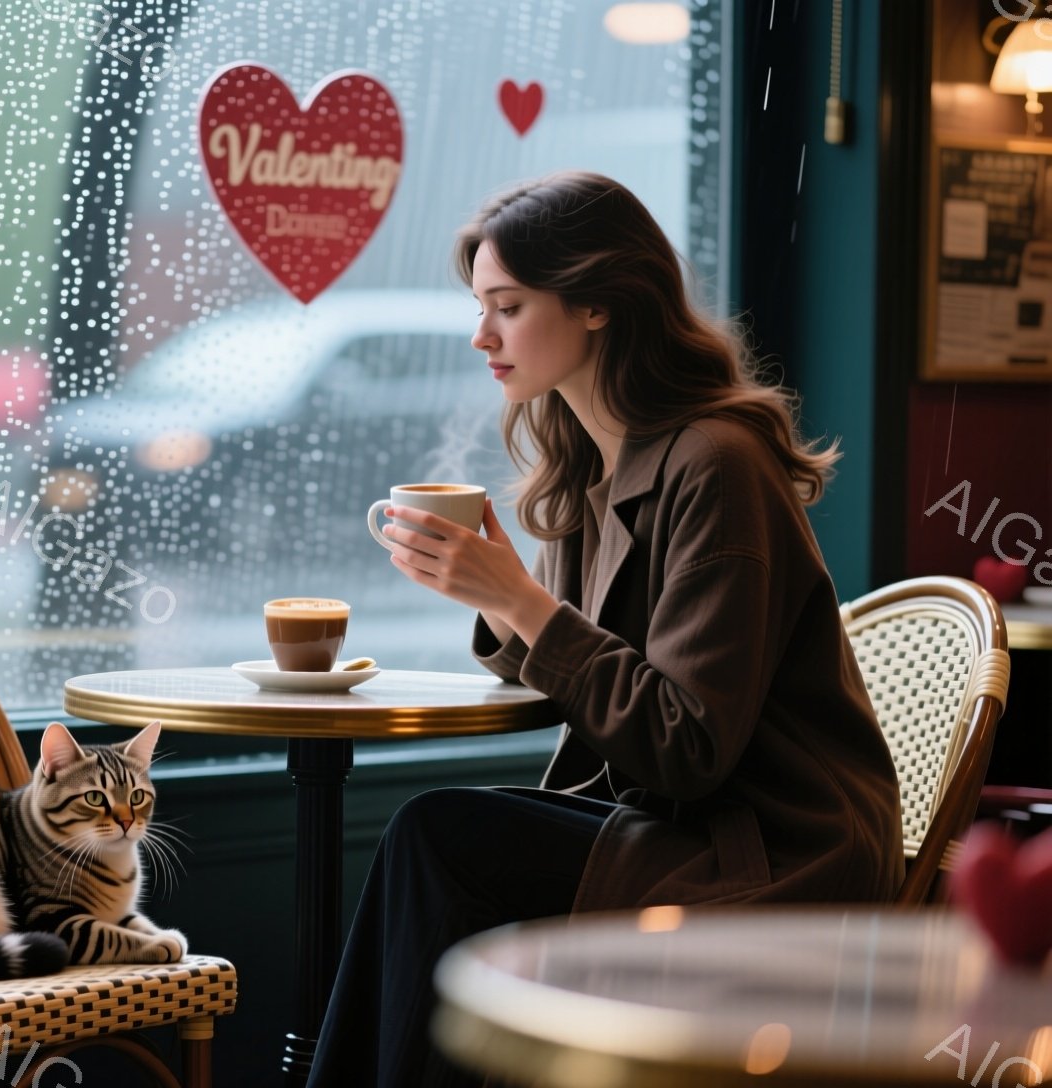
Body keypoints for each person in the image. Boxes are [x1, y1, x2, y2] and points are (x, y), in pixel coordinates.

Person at [302, 171, 905, 1087]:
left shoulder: (716, 465)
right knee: (441, 851)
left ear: (596, 304)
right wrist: (499, 594)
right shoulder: (592, 456)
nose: (481, 336)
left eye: (507, 306)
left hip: (770, 849)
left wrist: (518, 600)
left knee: (438, 839)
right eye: (480, 307)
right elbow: (597, 671)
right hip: (672, 821)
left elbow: (684, 744)